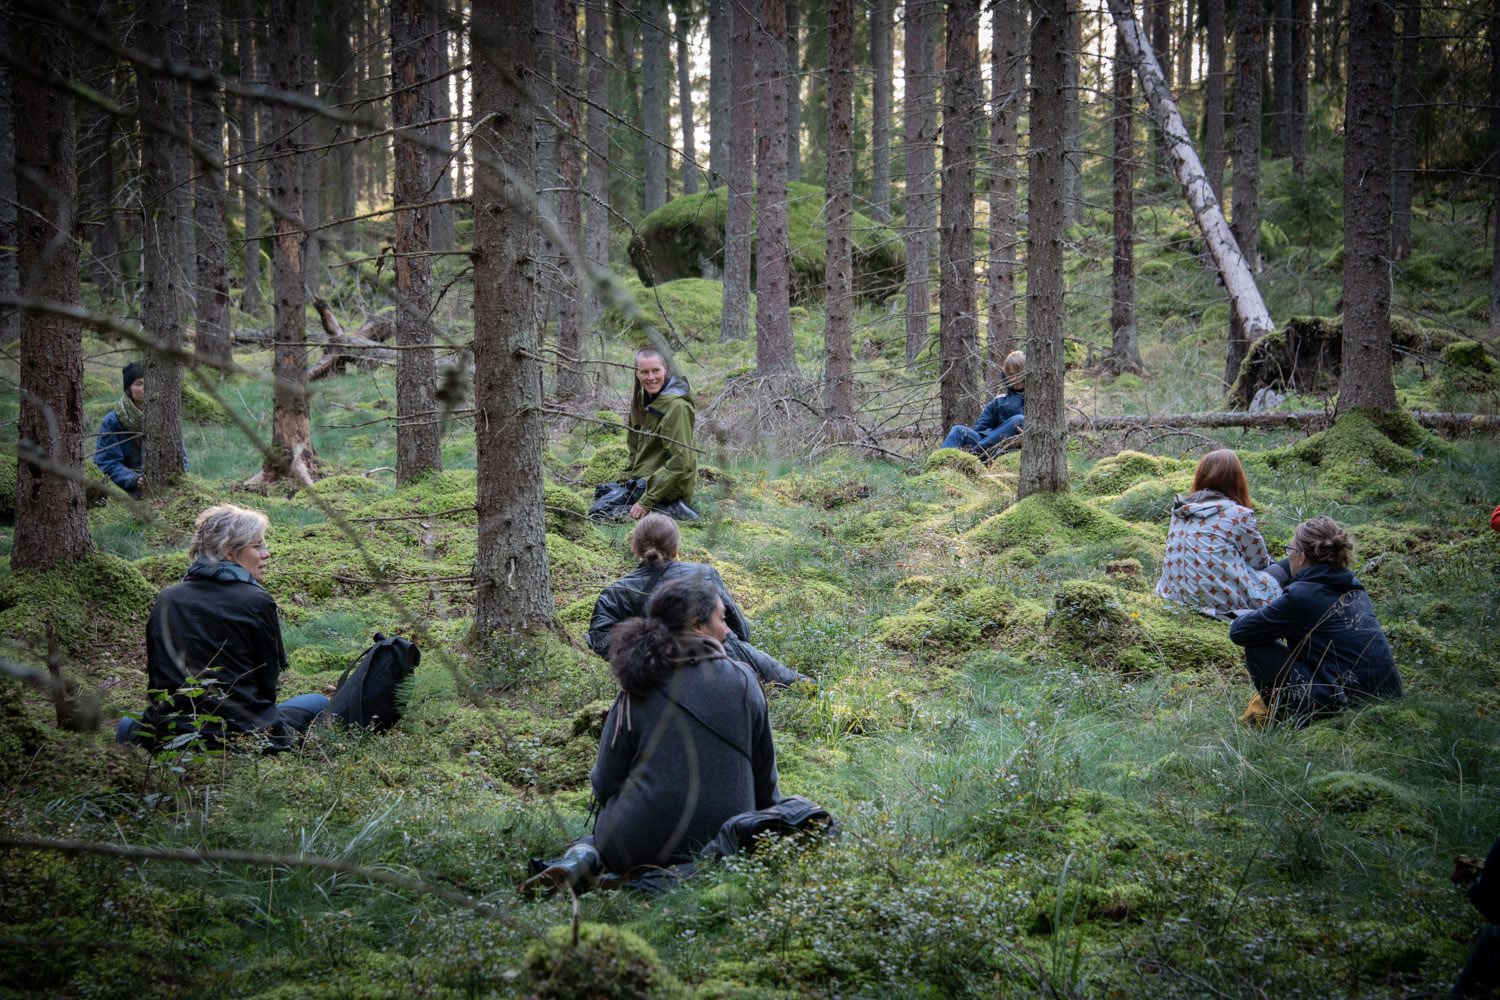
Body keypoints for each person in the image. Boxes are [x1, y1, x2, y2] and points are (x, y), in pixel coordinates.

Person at [117, 504, 328, 751]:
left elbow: (157, 675)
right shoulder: (257, 601)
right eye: (258, 545)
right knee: (318, 702)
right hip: (243, 732)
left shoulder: (167, 598)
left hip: (170, 731)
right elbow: (266, 683)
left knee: (126, 724)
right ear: (229, 552)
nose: (266, 554)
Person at [586, 514, 811, 688]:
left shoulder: (615, 592)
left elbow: (601, 644)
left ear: (634, 548)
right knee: (794, 683)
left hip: (659, 673)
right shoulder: (704, 574)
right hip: (723, 659)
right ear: (675, 549)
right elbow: (739, 627)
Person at [1228, 516, 1403, 721]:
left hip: (1342, 704)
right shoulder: (1353, 585)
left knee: (1258, 647)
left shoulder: (1302, 596)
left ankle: (1293, 722)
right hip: (1387, 695)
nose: (1288, 556)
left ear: (1301, 557)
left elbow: (1240, 632)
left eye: (1289, 550)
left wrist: (1254, 612)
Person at [1155, 449, 1282, 612]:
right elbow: (1259, 562)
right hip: (1222, 603)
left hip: (1176, 596)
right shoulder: (1238, 515)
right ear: (1237, 480)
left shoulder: (1180, 512)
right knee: (1287, 569)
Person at [622, 347, 698, 520]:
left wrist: (645, 501)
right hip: (645, 478)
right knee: (603, 502)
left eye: (656, 370)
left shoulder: (677, 407)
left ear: (665, 368)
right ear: (637, 373)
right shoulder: (639, 400)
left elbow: (680, 462)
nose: (651, 378)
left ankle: (675, 509)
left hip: (672, 487)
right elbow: (633, 447)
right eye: (645, 372)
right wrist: (625, 480)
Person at [94, 360, 187, 498]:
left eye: (149, 382)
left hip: (167, 490)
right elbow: (107, 463)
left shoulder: (166, 418)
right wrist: (135, 480)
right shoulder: (112, 421)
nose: (145, 388)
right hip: (125, 491)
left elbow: (181, 457)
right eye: (139, 384)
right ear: (128, 389)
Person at [940, 350, 1026, 456]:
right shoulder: (999, 402)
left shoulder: (1038, 401)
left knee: (1019, 420)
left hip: (1012, 451)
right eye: (1011, 375)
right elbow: (978, 430)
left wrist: (1027, 440)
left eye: (1019, 374)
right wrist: (997, 434)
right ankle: (937, 468)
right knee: (958, 430)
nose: (1015, 379)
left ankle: (974, 455)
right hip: (991, 448)